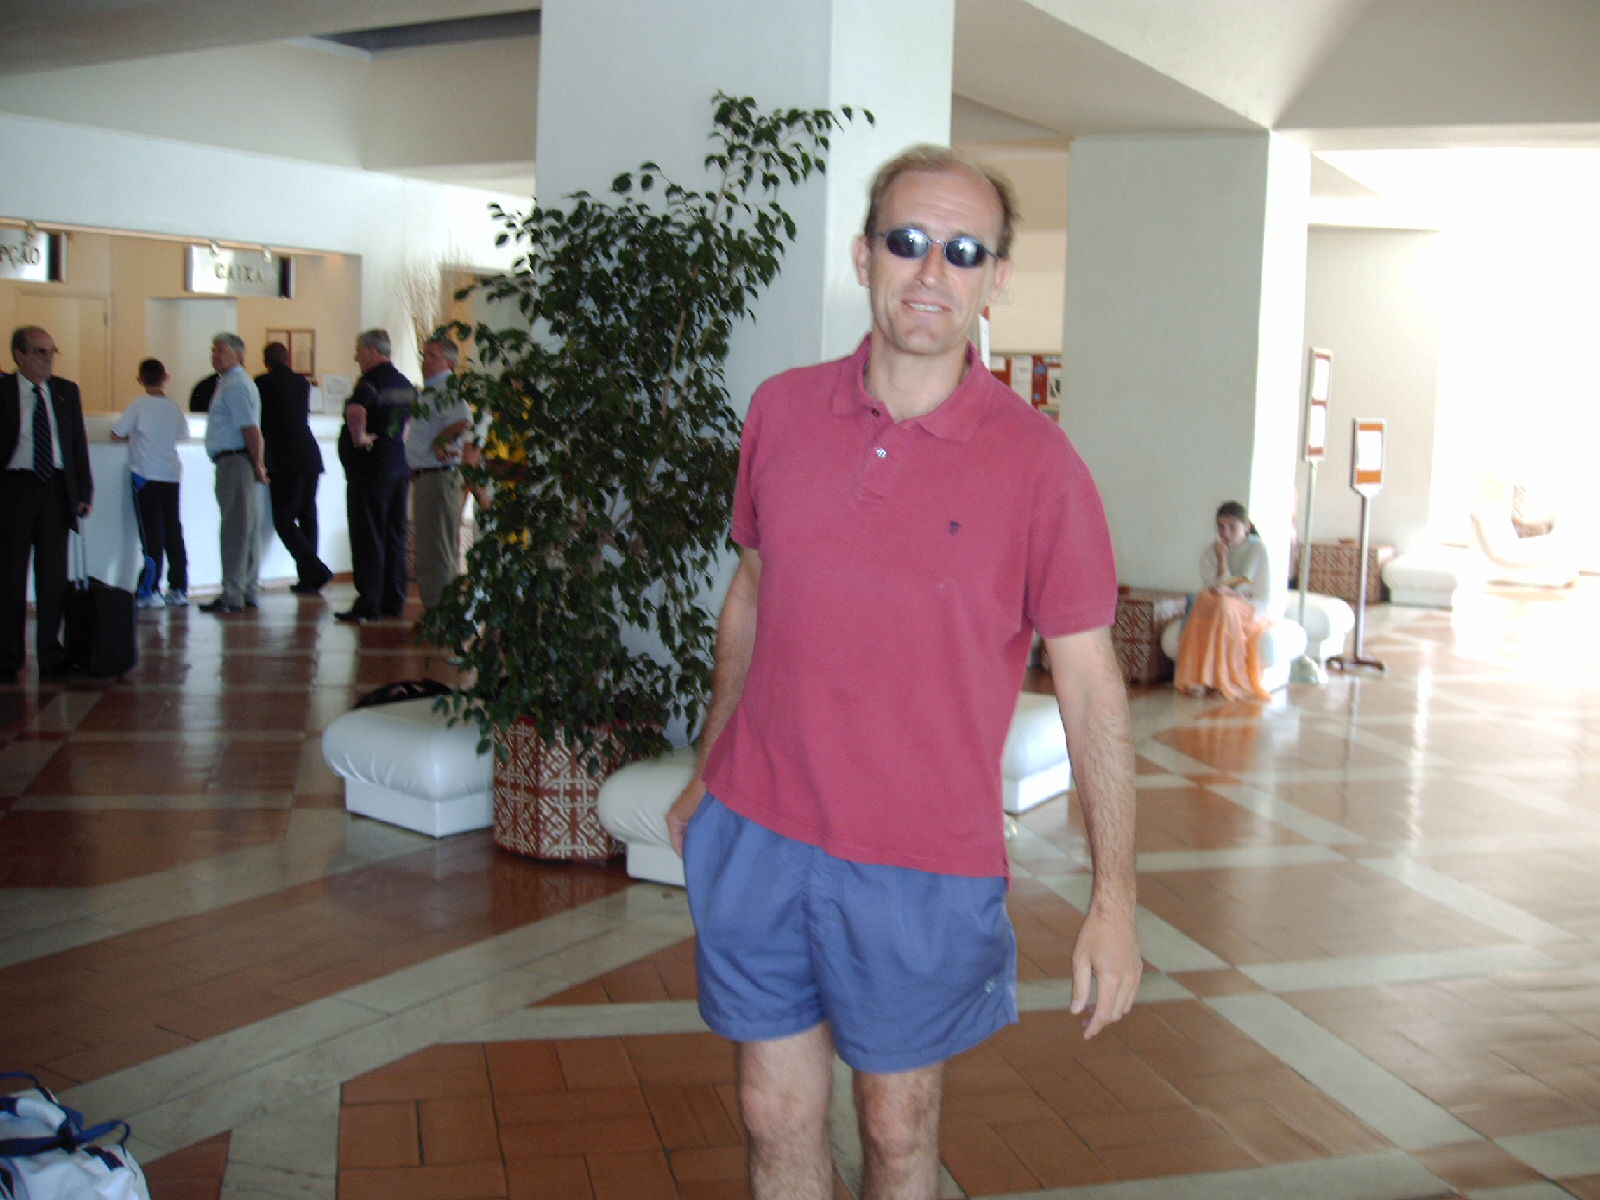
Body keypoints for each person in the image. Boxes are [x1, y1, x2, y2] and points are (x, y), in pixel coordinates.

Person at [663, 146, 1142, 1199]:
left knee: (895, 1130)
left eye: (964, 252)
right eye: (909, 241)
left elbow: (1090, 688)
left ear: (995, 278)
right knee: (772, 1114)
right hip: (758, 829)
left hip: (920, 864)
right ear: (863, 255)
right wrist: (709, 766)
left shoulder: (1040, 465)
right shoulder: (781, 411)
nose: (932, 272)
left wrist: (1114, 897)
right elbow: (751, 595)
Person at [1, 326, 94, 680]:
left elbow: (76, 445)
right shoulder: (4, 391)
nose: (49, 359)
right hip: (15, 487)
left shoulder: (65, 392)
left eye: (52, 351)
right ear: (20, 355)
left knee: (53, 575)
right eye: (40, 352)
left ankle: (51, 654)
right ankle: (8, 655)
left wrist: (84, 491)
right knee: (10, 573)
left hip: (55, 488)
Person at [335, 329, 414, 623]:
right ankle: (394, 599)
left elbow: (356, 410)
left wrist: (359, 439)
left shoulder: (370, 382)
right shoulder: (405, 383)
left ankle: (369, 602)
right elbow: (412, 420)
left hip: (370, 469)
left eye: (358, 350)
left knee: (368, 533)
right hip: (398, 465)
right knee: (395, 533)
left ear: (371, 351)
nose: (356, 356)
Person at [109, 358, 189, 609]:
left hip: (145, 476)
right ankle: (179, 588)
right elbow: (182, 435)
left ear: (140, 379)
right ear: (166, 377)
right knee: (173, 532)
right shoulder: (174, 408)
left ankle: (150, 589)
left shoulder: (139, 405)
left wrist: (134, 439)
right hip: (171, 476)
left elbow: (116, 433)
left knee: (151, 534)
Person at [1174, 500, 1274, 701]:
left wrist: (1226, 577)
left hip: (1251, 605)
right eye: (1221, 527)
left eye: (1232, 527)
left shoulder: (1257, 549)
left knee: (1223, 605)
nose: (1225, 532)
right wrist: (1221, 561)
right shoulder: (1211, 551)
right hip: (1222, 601)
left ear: (1246, 527)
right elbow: (1213, 585)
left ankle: (1223, 680)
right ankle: (1199, 678)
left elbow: (1247, 586)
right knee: (1204, 600)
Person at [198, 333, 268, 615]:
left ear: (239, 355)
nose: (215, 355)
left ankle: (233, 593)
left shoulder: (237, 385)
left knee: (236, 530)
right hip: (235, 461)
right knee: (244, 528)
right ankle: (247, 589)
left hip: (236, 462)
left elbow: (251, 430)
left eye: (222, 350)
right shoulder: (228, 383)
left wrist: (259, 465)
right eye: (214, 350)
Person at [256, 341, 331, 594]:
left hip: (284, 459)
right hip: (309, 454)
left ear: (266, 361)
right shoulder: (302, 383)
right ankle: (309, 577)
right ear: (288, 359)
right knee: (308, 515)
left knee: (284, 520)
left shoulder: (262, 384)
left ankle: (315, 571)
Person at [405, 337, 471, 617]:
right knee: (429, 546)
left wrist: (441, 441)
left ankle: (441, 612)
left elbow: (463, 421)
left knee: (437, 548)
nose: (426, 361)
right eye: (425, 355)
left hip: (439, 477)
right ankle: (435, 608)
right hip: (425, 476)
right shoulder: (430, 391)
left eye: (433, 356)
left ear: (450, 363)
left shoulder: (448, 389)